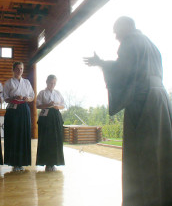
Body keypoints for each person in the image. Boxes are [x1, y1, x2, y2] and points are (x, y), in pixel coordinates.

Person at [84, 16, 172, 205]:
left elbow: (123, 72)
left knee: (141, 153)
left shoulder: (130, 42)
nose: (116, 36)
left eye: (117, 31)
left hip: (143, 102)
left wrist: (101, 63)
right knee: (161, 152)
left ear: (127, 27)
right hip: (161, 99)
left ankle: (142, 201)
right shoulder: (151, 44)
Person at [3, 62, 34, 172]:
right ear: (13, 69)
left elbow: (32, 97)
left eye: (21, 68)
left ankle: (22, 162)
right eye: (17, 68)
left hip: (24, 108)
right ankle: (14, 162)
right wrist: (14, 97)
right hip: (13, 109)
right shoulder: (9, 82)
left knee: (24, 134)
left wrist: (27, 99)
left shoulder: (26, 82)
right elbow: (5, 98)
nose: (19, 70)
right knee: (14, 134)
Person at [36, 75, 65, 171]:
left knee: (55, 140)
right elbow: (37, 105)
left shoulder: (57, 93)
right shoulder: (42, 93)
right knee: (46, 140)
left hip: (56, 116)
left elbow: (63, 105)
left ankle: (54, 162)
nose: (52, 85)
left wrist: (57, 106)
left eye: (54, 83)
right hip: (45, 117)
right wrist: (47, 105)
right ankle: (47, 163)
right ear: (46, 82)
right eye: (50, 83)